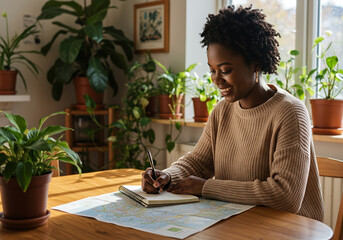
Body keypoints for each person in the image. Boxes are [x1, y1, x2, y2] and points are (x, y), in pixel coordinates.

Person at [141, 5, 324, 221]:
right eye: (212, 70)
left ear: (255, 65)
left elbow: (285, 196)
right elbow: (199, 162)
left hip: (290, 229)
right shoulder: (222, 110)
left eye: (226, 70)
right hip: (241, 223)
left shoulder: (290, 112)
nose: (217, 80)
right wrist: (166, 176)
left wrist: (206, 187)